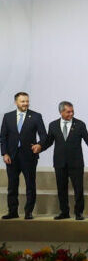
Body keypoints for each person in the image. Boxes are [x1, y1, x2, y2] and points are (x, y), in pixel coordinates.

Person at [39, 101, 88, 220]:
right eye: (68, 112)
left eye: (72, 111)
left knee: (78, 189)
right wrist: (39, 147)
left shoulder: (80, 124)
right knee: (61, 188)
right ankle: (64, 212)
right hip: (60, 162)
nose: (71, 114)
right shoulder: (53, 125)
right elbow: (48, 142)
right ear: (61, 112)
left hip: (76, 163)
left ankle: (78, 213)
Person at [1, 92, 47, 220]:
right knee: (12, 186)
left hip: (29, 156)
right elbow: (3, 137)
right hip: (12, 157)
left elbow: (44, 135)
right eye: (22, 101)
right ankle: (13, 211)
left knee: (30, 185)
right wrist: (4, 153)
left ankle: (28, 212)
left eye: (27, 101)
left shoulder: (36, 116)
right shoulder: (8, 117)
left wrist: (39, 145)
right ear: (16, 102)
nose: (25, 103)